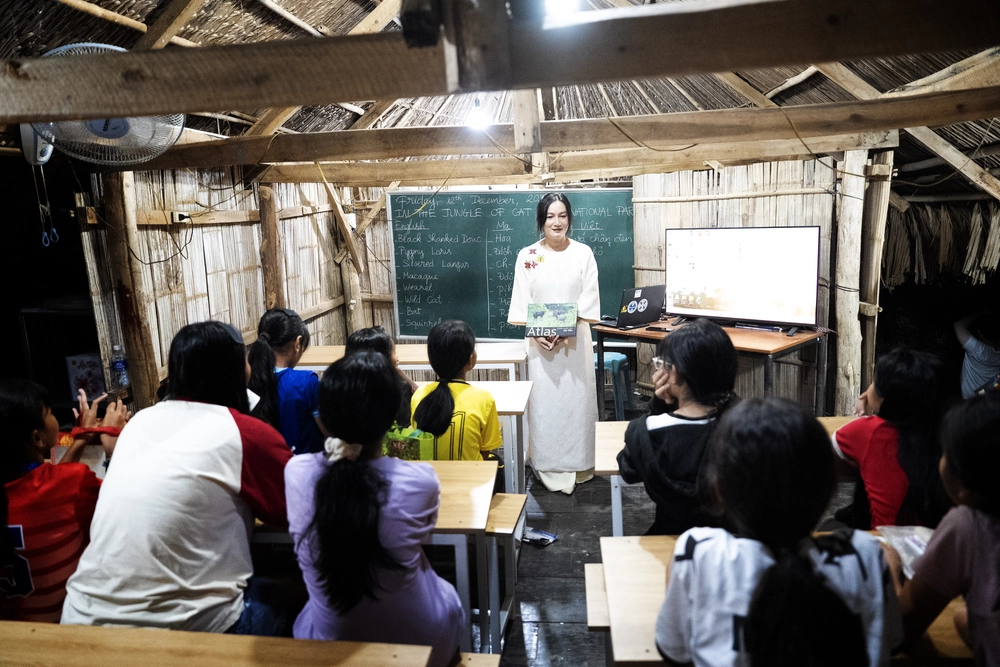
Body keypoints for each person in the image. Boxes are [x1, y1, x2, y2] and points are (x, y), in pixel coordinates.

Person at [62, 321, 293, 635]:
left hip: (82, 616)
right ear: (236, 370)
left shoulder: (141, 421)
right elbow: (291, 507)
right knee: (288, 597)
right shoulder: (244, 433)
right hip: (180, 629)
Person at [656, 397, 903, 667]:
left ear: (717, 489)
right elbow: (893, 641)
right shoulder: (865, 557)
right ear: (830, 489)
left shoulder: (698, 552)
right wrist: (888, 568)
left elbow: (675, 652)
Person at [285, 350, 465, 667]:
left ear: (323, 416)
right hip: (423, 643)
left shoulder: (296, 473)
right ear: (391, 416)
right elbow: (423, 535)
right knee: (445, 591)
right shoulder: (420, 481)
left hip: (329, 643)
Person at [883, 392, 1000, 665]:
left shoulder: (968, 526)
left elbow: (900, 631)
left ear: (962, 484)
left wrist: (889, 566)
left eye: (945, 452)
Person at [1, 381, 127, 622]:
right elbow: (120, 507)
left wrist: (79, 439)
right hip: (65, 628)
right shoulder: (71, 483)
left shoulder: (59, 485)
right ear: (37, 438)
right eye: (48, 413)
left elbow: (51, 486)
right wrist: (113, 448)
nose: (52, 415)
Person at [507, 192, 600, 494]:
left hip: (575, 343)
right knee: (546, 406)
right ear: (541, 221)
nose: (557, 222)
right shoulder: (528, 255)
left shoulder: (584, 253)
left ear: (569, 218)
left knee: (577, 403)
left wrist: (565, 329)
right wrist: (539, 332)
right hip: (540, 345)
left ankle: (581, 463)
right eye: (550, 216)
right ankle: (547, 463)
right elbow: (523, 302)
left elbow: (588, 298)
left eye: (562, 215)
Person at [616, 318, 738, 535]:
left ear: (674, 373)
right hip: (735, 540)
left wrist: (658, 405)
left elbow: (628, 470)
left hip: (673, 539)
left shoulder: (646, 432)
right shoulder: (748, 428)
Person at [835, 348, 950, 529]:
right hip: (941, 543)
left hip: (887, 546)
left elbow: (829, 461)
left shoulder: (868, 431)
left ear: (886, 398)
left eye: (874, 382)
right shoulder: (954, 433)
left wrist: (871, 416)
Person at [411, 320, 502, 461]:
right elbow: (485, 451)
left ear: (432, 360)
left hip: (427, 479)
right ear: (471, 360)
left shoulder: (419, 395)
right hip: (470, 481)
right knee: (496, 460)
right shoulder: (484, 399)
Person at [248, 308, 323, 454]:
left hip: (262, 472)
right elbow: (331, 431)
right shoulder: (306, 382)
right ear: (297, 343)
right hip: (303, 473)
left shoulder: (245, 381)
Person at [345, 325, 416, 429]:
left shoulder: (343, 392)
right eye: (394, 352)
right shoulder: (399, 391)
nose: (397, 358)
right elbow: (404, 429)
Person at [954, 310, 1000, 399]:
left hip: (970, 400)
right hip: (988, 398)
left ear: (979, 332)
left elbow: (958, 325)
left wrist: (980, 311)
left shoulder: (977, 350)